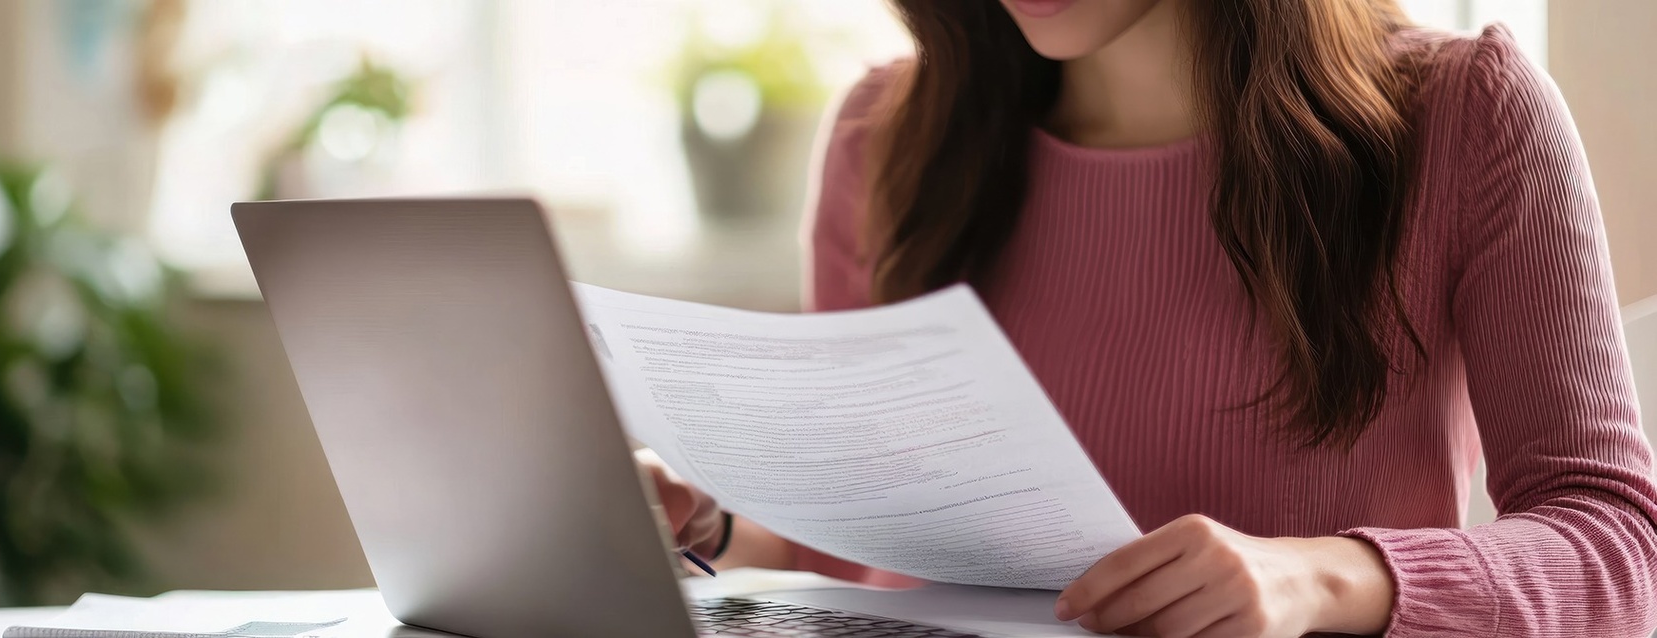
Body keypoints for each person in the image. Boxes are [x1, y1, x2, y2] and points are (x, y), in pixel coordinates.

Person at [641, 0, 1657, 636]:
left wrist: (1319, 576)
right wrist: (715, 522)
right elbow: (868, 548)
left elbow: (1617, 549)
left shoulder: (1465, 115)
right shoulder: (887, 136)